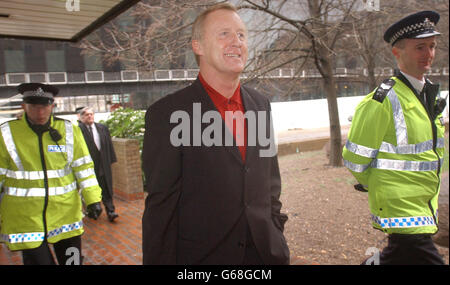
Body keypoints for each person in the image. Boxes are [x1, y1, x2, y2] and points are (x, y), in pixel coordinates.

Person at [141, 3, 289, 265]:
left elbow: (271, 184)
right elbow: (160, 210)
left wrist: (276, 232)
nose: (237, 42)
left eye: (242, 35)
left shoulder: (261, 105)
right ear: (197, 45)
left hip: (265, 256)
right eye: (224, 34)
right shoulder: (167, 114)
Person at [342, 11, 446, 265]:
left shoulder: (427, 94)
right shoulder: (383, 99)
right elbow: (354, 159)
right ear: (397, 53)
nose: (428, 54)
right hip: (401, 208)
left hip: (423, 203)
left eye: (432, 46)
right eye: (420, 47)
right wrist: (379, 184)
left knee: (397, 256)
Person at [0, 83, 102, 265]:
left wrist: (93, 199)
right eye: (34, 107)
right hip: (26, 218)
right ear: (24, 106)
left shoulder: (69, 130)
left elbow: (84, 168)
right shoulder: (6, 134)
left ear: (52, 106)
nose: (40, 113)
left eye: (45, 107)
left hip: (66, 215)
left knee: (73, 262)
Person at [79, 107, 118, 222]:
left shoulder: (102, 128)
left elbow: (109, 144)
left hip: (103, 165)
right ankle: (93, 210)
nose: (89, 116)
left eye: (91, 114)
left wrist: (111, 159)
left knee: (106, 187)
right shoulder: (78, 130)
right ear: (81, 117)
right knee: (91, 189)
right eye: (86, 115)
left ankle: (110, 210)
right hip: (88, 167)